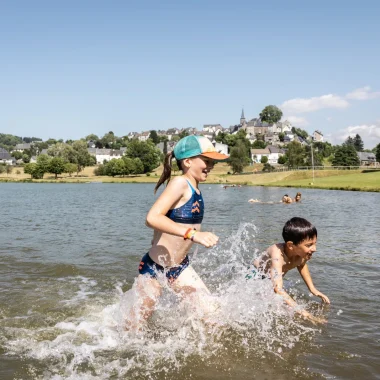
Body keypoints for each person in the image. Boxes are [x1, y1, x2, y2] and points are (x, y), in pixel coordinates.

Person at [127, 135, 229, 329]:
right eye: (206, 161)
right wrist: (193, 234)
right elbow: (152, 218)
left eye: (212, 162)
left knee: (214, 317)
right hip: (155, 268)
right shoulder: (180, 183)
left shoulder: (195, 188)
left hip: (179, 267)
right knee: (134, 328)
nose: (211, 166)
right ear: (188, 161)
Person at [250, 217, 330, 324]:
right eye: (309, 245)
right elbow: (278, 289)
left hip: (269, 281)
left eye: (315, 243)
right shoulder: (277, 255)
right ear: (290, 245)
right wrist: (306, 314)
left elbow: (301, 265)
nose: (314, 249)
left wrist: (312, 289)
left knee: (284, 307)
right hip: (253, 278)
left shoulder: (300, 254)